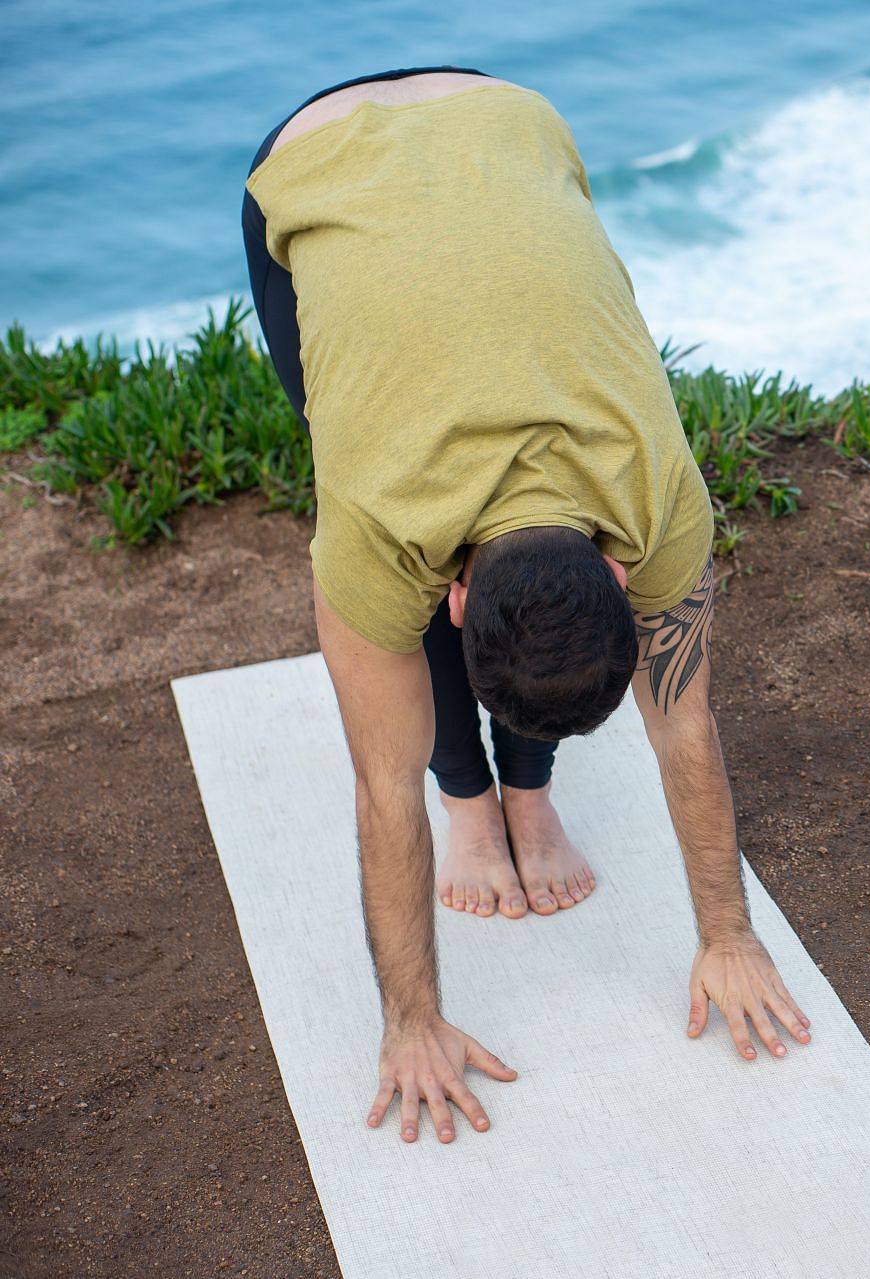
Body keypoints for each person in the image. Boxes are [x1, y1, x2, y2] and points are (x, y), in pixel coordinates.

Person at [241, 67, 810, 1146]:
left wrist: (728, 935)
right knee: (405, 740)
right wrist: (411, 1022)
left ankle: (528, 794)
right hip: (311, 158)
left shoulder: (662, 504)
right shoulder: (375, 530)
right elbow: (379, 788)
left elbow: (684, 724)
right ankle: (479, 801)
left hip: (508, 123)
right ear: (447, 604)